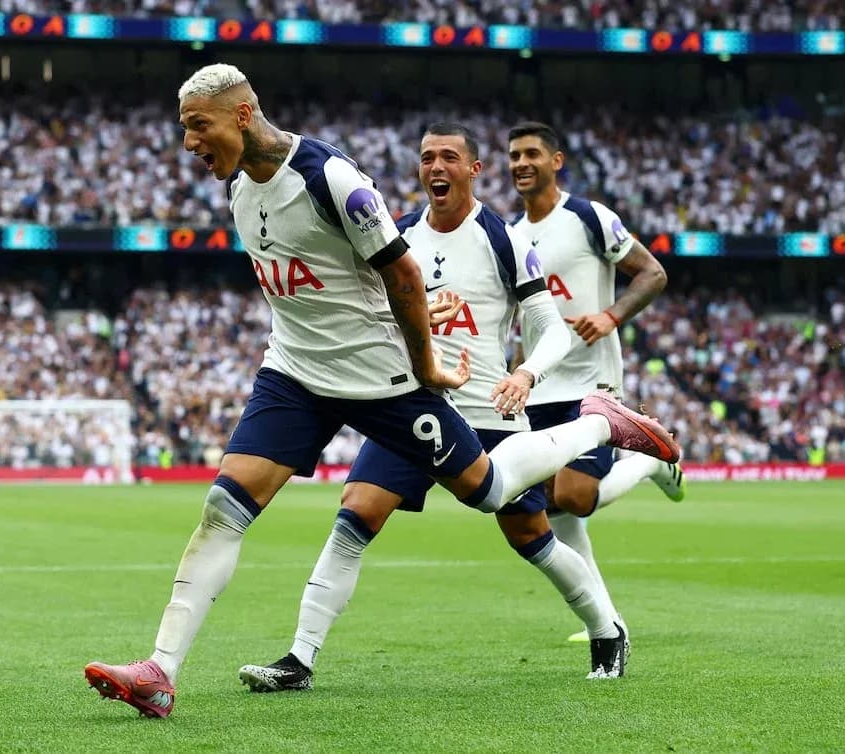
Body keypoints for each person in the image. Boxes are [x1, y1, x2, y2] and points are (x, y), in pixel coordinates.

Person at [84, 65, 678, 719]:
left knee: (494, 500)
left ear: (243, 114)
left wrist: (461, 369)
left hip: (396, 385)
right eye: (426, 157)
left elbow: (404, 278)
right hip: (296, 377)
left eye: (199, 125)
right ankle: (168, 670)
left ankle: (599, 427)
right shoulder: (240, 192)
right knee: (249, 511)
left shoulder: (340, 182)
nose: (190, 142)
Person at [236, 122, 635, 695]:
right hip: (411, 402)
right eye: (427, 158)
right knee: (357, 511)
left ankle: (606, 627)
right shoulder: (396, 238)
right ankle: (299, 658)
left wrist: (526, 372)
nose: (436, 167)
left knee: (532, 537)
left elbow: (550, 329)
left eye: (449, 157)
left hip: (489, 415)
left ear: (473, 169)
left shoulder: (502, 238)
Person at [507, 121, 686, 643]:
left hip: (593, 382)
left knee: (577, 494)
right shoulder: (513, 238)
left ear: (555, 161)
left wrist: (610, 316)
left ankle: (651, 463)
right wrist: (518, 375)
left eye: (532, 154)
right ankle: (607, 621)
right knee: (554, 504)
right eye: (514, 155)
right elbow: (527, 321)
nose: (521, 163)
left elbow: (652, 273)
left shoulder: (587, 217)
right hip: (541, 389)